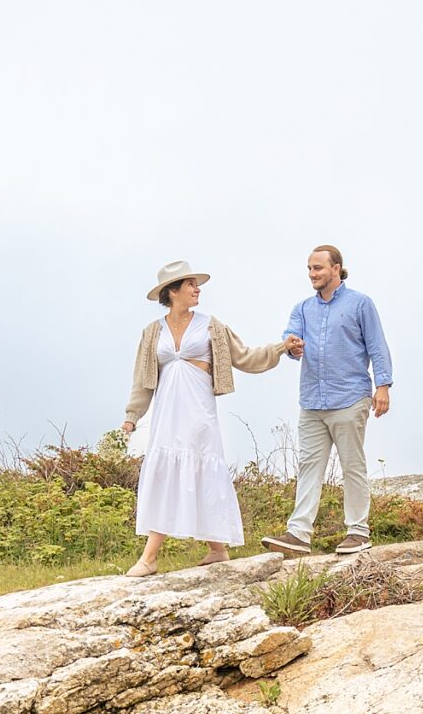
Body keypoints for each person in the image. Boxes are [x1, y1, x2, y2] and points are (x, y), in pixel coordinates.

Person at [122, 260, 293, 577]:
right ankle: (217, 549)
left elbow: (246, 357)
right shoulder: (152, 333)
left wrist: (280, 347)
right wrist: (132, 416)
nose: (197, 289)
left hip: (198, 412)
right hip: (166, 414)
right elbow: (143, 380)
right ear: (172, 292)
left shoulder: (211, 326)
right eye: (190, 284)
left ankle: (149, 557)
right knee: (166, 474)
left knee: (199, 471)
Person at [261, 244, 394, 557]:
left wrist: (383, 386)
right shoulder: (303, 308)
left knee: (352, 465)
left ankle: (358, 532)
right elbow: (291, 339)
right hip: (311, 402)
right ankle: (298, 534)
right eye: (309, 268)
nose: (312, 274)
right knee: (309, 466)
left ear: (336, 268)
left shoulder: (360, 304)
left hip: (350, 397)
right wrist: (291, 346)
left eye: (318, 268)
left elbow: (377, 346)